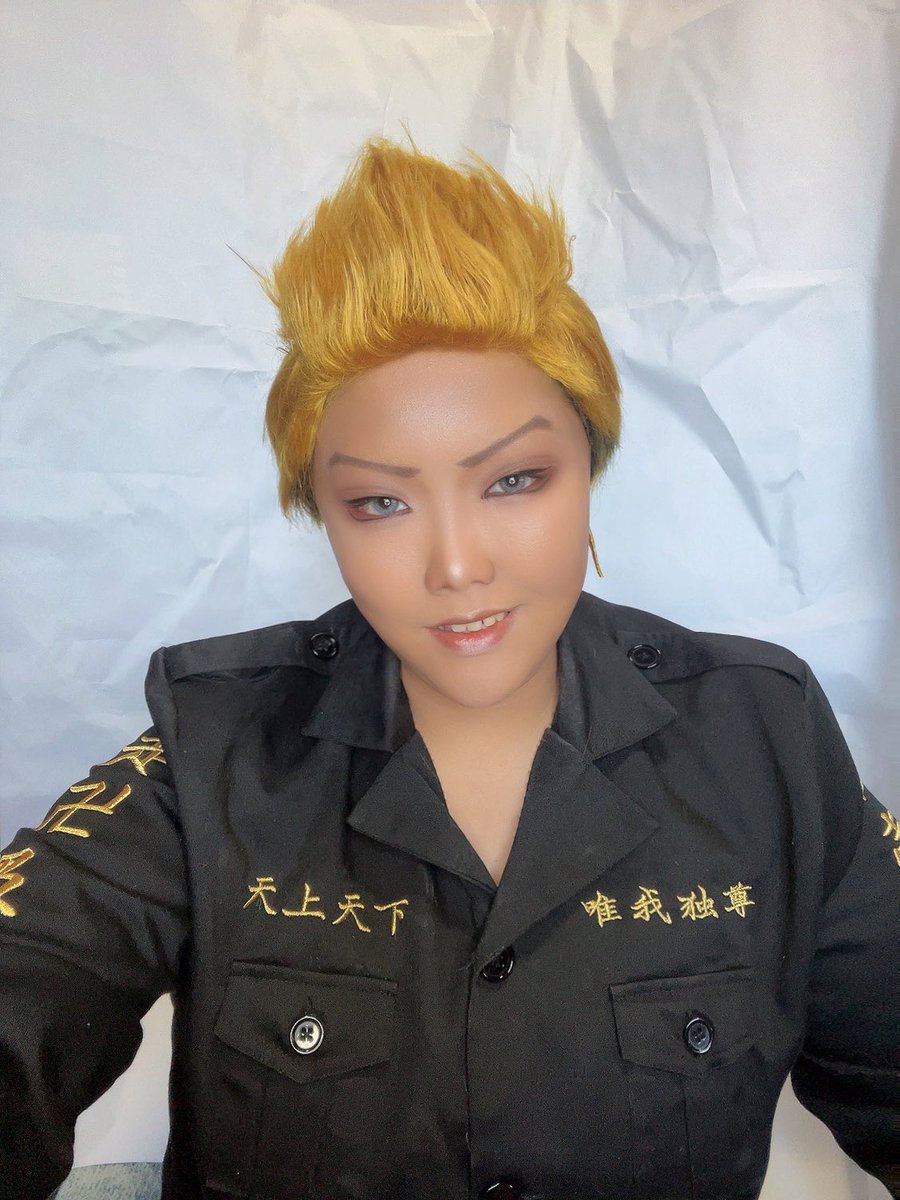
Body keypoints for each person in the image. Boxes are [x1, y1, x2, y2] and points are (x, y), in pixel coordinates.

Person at [0, 135, 897, 1200]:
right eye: (381, 501)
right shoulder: (211, 755)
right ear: (321, 511)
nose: (457, 566)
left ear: (590, 461)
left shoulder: (767, 741)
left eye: (514, 480)